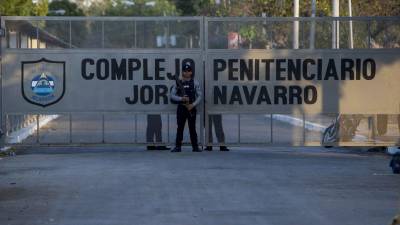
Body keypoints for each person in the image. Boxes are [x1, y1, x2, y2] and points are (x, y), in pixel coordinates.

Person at [170, 63, 202, 152]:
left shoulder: (195, 82)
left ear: (191, 72)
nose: (186, 72)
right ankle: (178, 147)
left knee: (192, 128)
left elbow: (199, 96)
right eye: (184, 71)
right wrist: (181, 98)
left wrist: (193, 105)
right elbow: (172, 95)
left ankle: (195, 147)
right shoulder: (178, 82)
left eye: (188, 71)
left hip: (191, 108)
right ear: (182, 72)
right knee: (180, 128)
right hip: (181, 108)